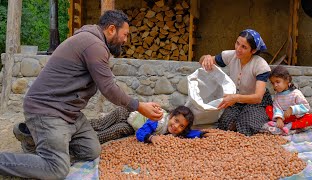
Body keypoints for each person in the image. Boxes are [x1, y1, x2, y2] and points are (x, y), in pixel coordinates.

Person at [0, 10, 163, 179]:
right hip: (47, 111)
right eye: (125, 34)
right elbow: (108, 88)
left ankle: (34, 137)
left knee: (91, 151)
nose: (125, 40)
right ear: (112, 29)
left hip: (69, 113)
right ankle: (31, 142)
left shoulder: (93, 42)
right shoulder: (94, 45)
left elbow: (107, 84)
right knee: (56, 169)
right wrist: (140, 107)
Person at [199, 29, 273, 136]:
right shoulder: (230, 55)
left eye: (244, 47)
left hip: (256, 102)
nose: (238, 49)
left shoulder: (260, 65)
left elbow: (258, 97)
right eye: (237, 43)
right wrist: (206, 58)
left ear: (253, 50)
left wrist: (235, 98)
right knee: (225, 123)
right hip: (236, 101)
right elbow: (202, 61)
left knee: (247, 124)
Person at [90, 106, 208, 144]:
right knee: (101, 124)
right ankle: (79, 125)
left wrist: (200, 133)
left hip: (131, 126)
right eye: (176, 121)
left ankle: (89, 140)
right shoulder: (158, 120)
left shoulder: (177, 132)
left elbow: (187, 133)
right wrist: (151, 137)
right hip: (126, 114)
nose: (176, 127)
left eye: (181, 126)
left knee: (115, 131)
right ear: (171, 116)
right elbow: (141, 134)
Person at [266, 65, 312, 135]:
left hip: (296, 118)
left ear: (287, 80)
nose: (275, 85)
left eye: (277, 82)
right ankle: (279, 123)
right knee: (268, 108)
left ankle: (290, 125)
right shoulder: (277, 95)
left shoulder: (296, 93)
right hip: (283, 118)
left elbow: (306, 107)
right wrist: (279, 118)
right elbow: (276, 107)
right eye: (273, 83)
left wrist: (292, 109)